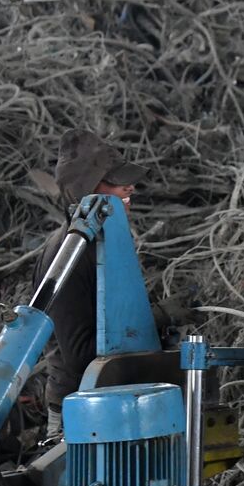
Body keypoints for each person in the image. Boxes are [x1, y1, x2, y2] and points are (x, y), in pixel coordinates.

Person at [32, 130, 194, 438]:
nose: (130, 187)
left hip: (113, 404)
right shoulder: (67, 256)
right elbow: (80, 355)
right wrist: (158, 315)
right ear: (86, 188)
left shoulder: (103, 241)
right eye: (116, 181)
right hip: (81, 415)